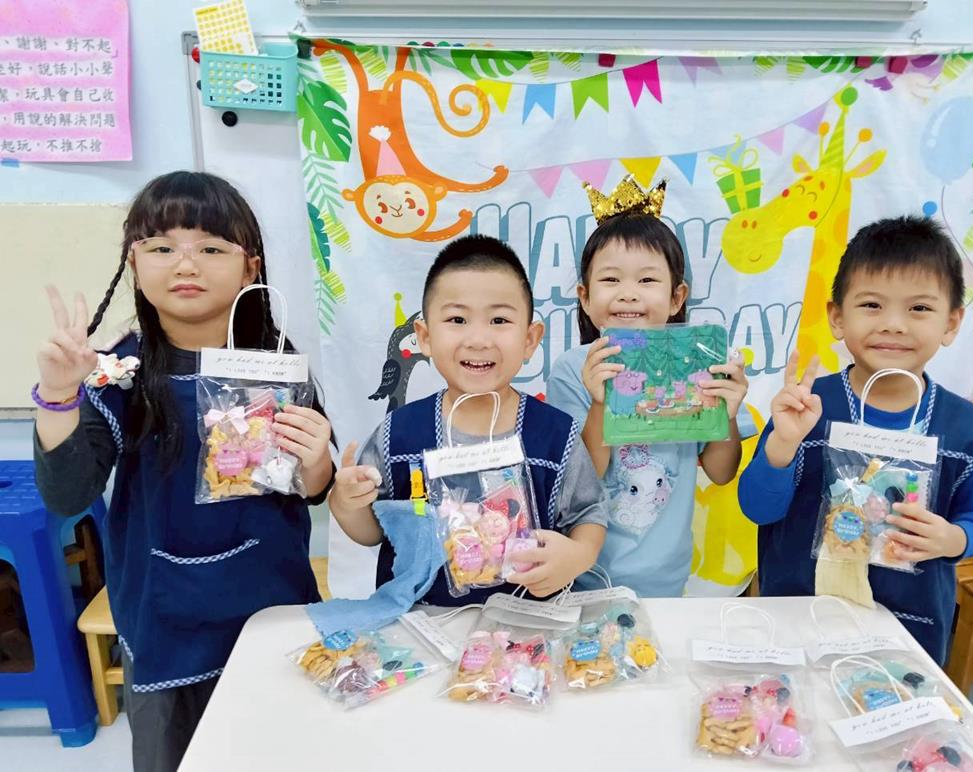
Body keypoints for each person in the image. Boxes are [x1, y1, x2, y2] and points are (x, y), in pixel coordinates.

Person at [33, 171, 334, 771]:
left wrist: (318, 460)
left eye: (211, 249)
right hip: (166, 623)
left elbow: (313, 488)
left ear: (249, 268)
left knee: (281, 750)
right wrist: (59, 396)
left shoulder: (276, 365)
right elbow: (68, 493)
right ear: (134, 262)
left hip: (272, 603)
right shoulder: (117, 373)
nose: (186, 264)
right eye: (162, 247)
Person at [738, 215, 973, 663]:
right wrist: (783, 444)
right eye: (872, 305)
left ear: (952, 322)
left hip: (907, 632)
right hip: (797, 619)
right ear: (837, 317)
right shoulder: (807, 407)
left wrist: (954, 540)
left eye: (919, 309)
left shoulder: (966, 427)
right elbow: (757, 509)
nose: (894, 324)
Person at [329, 234, 608, 604]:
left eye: (499, 320)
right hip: (420, 625)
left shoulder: (557, 436)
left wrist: (579, 555)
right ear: (425, 337)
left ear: (530, 339)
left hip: (530, 626)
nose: (478, 339)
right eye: (457, 319)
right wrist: (346, 503)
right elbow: (372, 532)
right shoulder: (397, 435)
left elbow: (589, 511)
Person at [547, 178, 752, 597]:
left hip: (668, 578)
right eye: (610, 280)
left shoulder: (699, 362)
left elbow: (720, 471)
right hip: (585, 577)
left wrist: (726, 415)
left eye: (646, 280)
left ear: (677, 297)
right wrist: (600, 404)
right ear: (585, 297)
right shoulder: (572, 370)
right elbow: (580, 479)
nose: (628, 295)